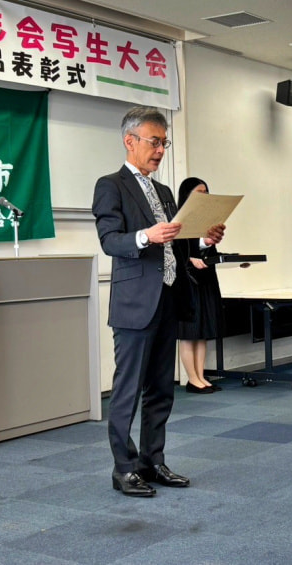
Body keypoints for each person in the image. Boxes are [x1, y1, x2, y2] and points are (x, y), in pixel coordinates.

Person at [92, 106, 224, 498]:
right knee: (128, 390)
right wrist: (146, 236)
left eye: (164, 143)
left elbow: (178, 243)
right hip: (135, 303)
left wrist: (203, 239)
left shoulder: (165, 192)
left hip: (168, 299)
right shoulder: (110, 185)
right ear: (129, 141)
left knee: (161, 390)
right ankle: (124, 468)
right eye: (154, 142)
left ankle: (153, 461)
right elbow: (109, 240)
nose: (161, 150)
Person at [176, 177, 224, 395]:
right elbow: (177, 249)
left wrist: (210, 245)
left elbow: (206, 249)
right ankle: (192, 379)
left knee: (203, 331)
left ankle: (201, 376)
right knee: (188, 332)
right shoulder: (178, 218)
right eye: (198, 192)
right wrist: (198, 249)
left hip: (205, 279)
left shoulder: (208, 219)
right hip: (187, 281)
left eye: (206, 191)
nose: (203, 196)